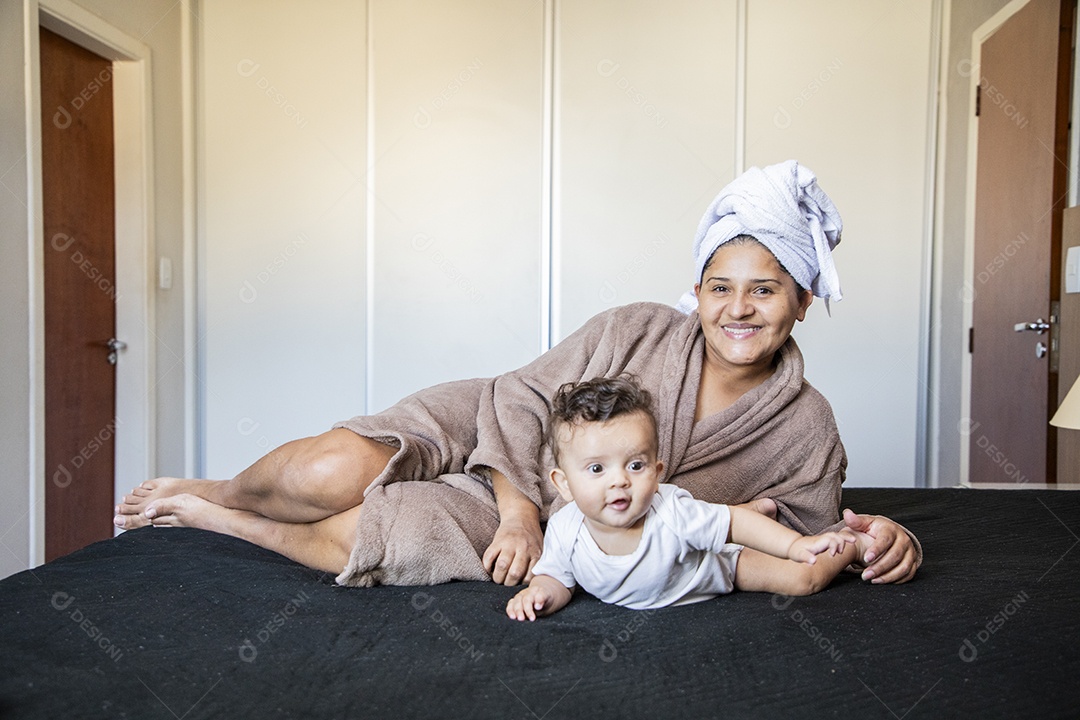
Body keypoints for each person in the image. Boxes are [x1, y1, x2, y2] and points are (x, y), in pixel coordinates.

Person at [114, 160, 921, 586]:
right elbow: (520, 392)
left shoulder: (805, 425)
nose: (738, 310)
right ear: (698, 292)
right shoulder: (637, 327)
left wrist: (892, 539)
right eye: (721, 287)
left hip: (585, 516)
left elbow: (817, 533)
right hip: (499, 432)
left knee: (370, 535)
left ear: (803, 303)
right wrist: (516, 511)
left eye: (765, 290)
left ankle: (220, 520)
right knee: (329, 470)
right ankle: (220, 487)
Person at [506, 375, 872, 620]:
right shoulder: (565, 529)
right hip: (694, 537)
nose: (619, 482)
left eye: (635, 465)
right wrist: (539, 596)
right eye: (597, 470)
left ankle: (851, 544)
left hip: (716, 568)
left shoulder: (672, 514)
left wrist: (795, 546)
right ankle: (755, 509)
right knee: (716, 519)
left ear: (657, 472)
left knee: (801, 580)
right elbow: (558, 578)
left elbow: (735, 524)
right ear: (564, 484)